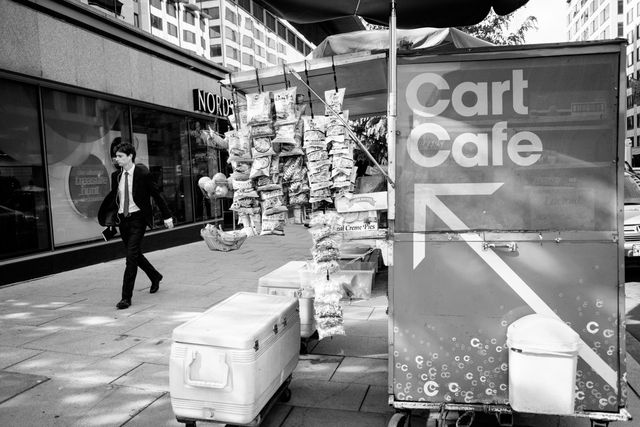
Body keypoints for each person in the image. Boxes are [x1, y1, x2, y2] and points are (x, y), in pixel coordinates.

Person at [103, 142, 174, 309]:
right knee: (134, 254)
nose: (116, 159)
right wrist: (111, 222)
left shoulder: (142, 172)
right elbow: (115, 201)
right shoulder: (116, 176)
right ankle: (155, 276)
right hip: (123, 221)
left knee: (130, 258)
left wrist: (167, 216)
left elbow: (156, 195)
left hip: (138, 220)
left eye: (120, 156)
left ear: (130, 156)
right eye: (116, 156)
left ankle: (125, 298)